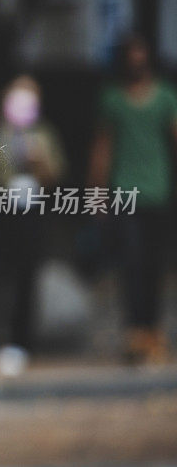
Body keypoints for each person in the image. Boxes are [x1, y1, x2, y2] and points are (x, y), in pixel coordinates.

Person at [0, 75, 65, 377]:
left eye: (30, 95)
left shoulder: (45, 134)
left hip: (29, 213)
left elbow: (56, 176)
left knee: (24, 279)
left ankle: (19, 343)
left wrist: (39, 161)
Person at [87, 34, 177, 364]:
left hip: (159, 191)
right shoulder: (113, 99)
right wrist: (96, 193)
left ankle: (153, 330)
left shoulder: (166, 96)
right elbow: (103, 148)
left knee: (156, 264)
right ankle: (135, 332)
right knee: (132, 263)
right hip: (125, 194)